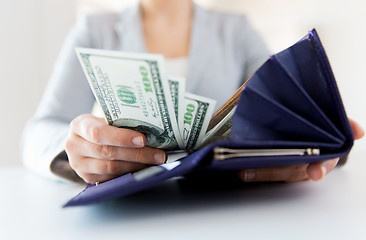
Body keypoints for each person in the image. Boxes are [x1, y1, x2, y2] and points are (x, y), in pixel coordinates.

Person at [21, 0, 364, 184]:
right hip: (134, 216)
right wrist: (79, 154)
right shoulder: (94, 30)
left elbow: (284, 102)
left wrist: (325, 137)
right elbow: (40, 130)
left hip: (232, 210)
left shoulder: (237, 30)